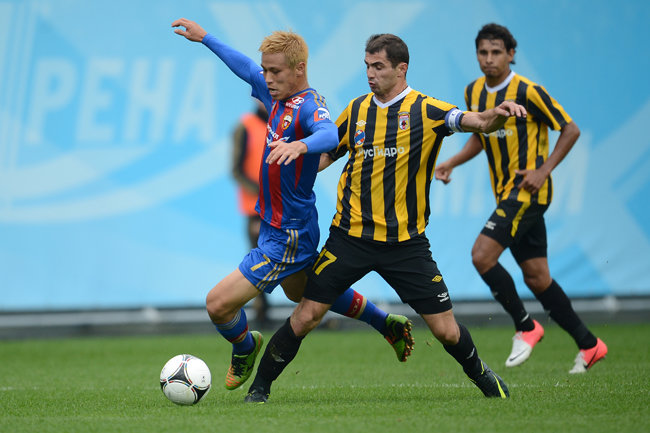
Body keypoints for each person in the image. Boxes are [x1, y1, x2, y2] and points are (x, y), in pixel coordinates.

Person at [244, 33, 528, 404]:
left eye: (378, 67)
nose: (370, 74)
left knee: (445, 330)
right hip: (349, 238)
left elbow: (475, 121)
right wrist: (295, 165)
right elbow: (328, 154)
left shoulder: (427, 109)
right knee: (306, 315)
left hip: (406, 244)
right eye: (367, 66)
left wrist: (494, 115)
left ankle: (484, 377)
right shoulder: (357, 110)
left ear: (401, 68)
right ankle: (259, 390)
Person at [171, 19, 414, 392]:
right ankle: (386, 323)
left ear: (299, 69)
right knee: (302, 293)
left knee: (218, 305)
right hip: (279, 225)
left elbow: (329, 134)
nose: (267, 78)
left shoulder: (309, 105)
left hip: (288, 235)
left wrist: (301, 145)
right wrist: (206, 38)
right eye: (266, 70)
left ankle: (245, 346)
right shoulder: (275, 95)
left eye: (275, 72)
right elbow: (244, 67)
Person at [434, 23, 607, 373]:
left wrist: (543, 170)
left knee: (481, 255)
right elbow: (482, 135)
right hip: (506, 194)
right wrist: (452, 161)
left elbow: (570, 129)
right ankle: (590, 344)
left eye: (496, 52)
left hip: (529, 191)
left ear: (511, 54)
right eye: (483, 52)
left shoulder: (528, 91)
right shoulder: (473, 91)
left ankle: (526, 326)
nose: (489, 59)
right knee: (537, 277)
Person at [231, 100, 270, 325]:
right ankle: (261, 313)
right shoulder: (245, 126)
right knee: (258, 262)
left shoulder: (283, 124)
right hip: (255, 209)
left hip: (281, 207)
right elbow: (236, 170)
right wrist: (261, 192)